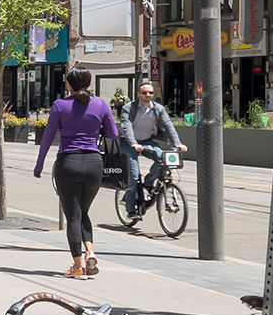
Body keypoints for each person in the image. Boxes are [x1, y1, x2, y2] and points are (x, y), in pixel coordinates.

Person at [34, 65, 117, 278]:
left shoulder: (60, 105)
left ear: (68, 84)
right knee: (83, 212)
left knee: (73, 214)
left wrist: (39, 164)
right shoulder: (100, 105)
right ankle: (90, 251)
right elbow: (113, 134)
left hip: (68, 163)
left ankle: (78, 266)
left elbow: (47, 137)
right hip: (93, 164)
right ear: (90, 83)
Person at [119, 81, 180, 222]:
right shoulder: (130, 107)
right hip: (128, 143)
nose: (148, 95)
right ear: (139, 94)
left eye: (150, 93)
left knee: (163, 158)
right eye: (144, 92)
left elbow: (168, 125)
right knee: (133, 175)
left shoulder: (157, 108)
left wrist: (178, 143)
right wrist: (133, 143)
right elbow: (126, 126)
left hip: (146, 141)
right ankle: (131, 209)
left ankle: (148, 182)